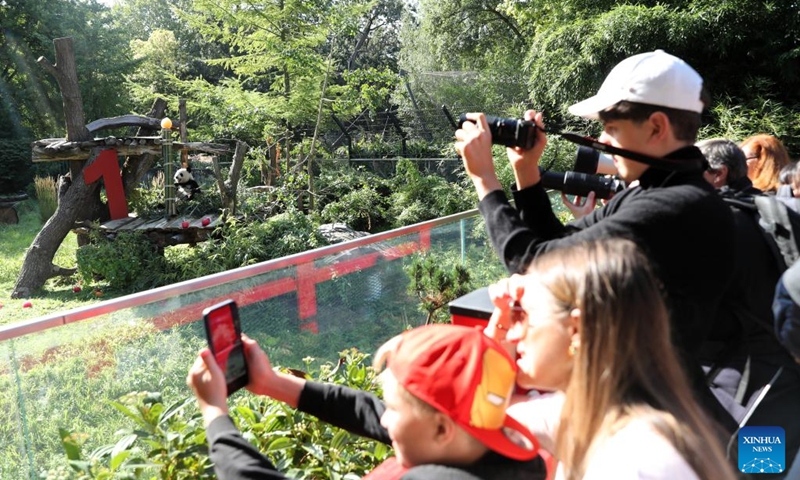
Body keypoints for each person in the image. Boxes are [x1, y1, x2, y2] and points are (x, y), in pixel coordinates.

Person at [455, 50, 737, 431]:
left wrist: (485, 181)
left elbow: (536, 267)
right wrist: (526, 173)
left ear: (656, 127)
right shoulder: (649, 193)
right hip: (641, 398)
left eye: (612, 128)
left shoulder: (675, 206)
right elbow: (557, 246)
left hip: (654, 419)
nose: (602, 140)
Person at [484, 238, 737, 480]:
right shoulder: (591, 413)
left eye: (521, 316)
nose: (514, 332)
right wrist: (499, 342)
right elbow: (490, 413)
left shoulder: (634, 463)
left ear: (576, 329)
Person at [186, 325, 544, 480]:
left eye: (396, 411)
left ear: (441, 428)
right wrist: (274, 384)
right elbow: (372, 412)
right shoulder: (504, 453)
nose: (385, 422)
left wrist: (215, 413)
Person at [697, 138, 800, 476]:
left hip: (740, 388)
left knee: (749, 471)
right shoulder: (772, 214)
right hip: (777, 382)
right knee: (759, 472)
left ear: (717, 174)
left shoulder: (723, 224)